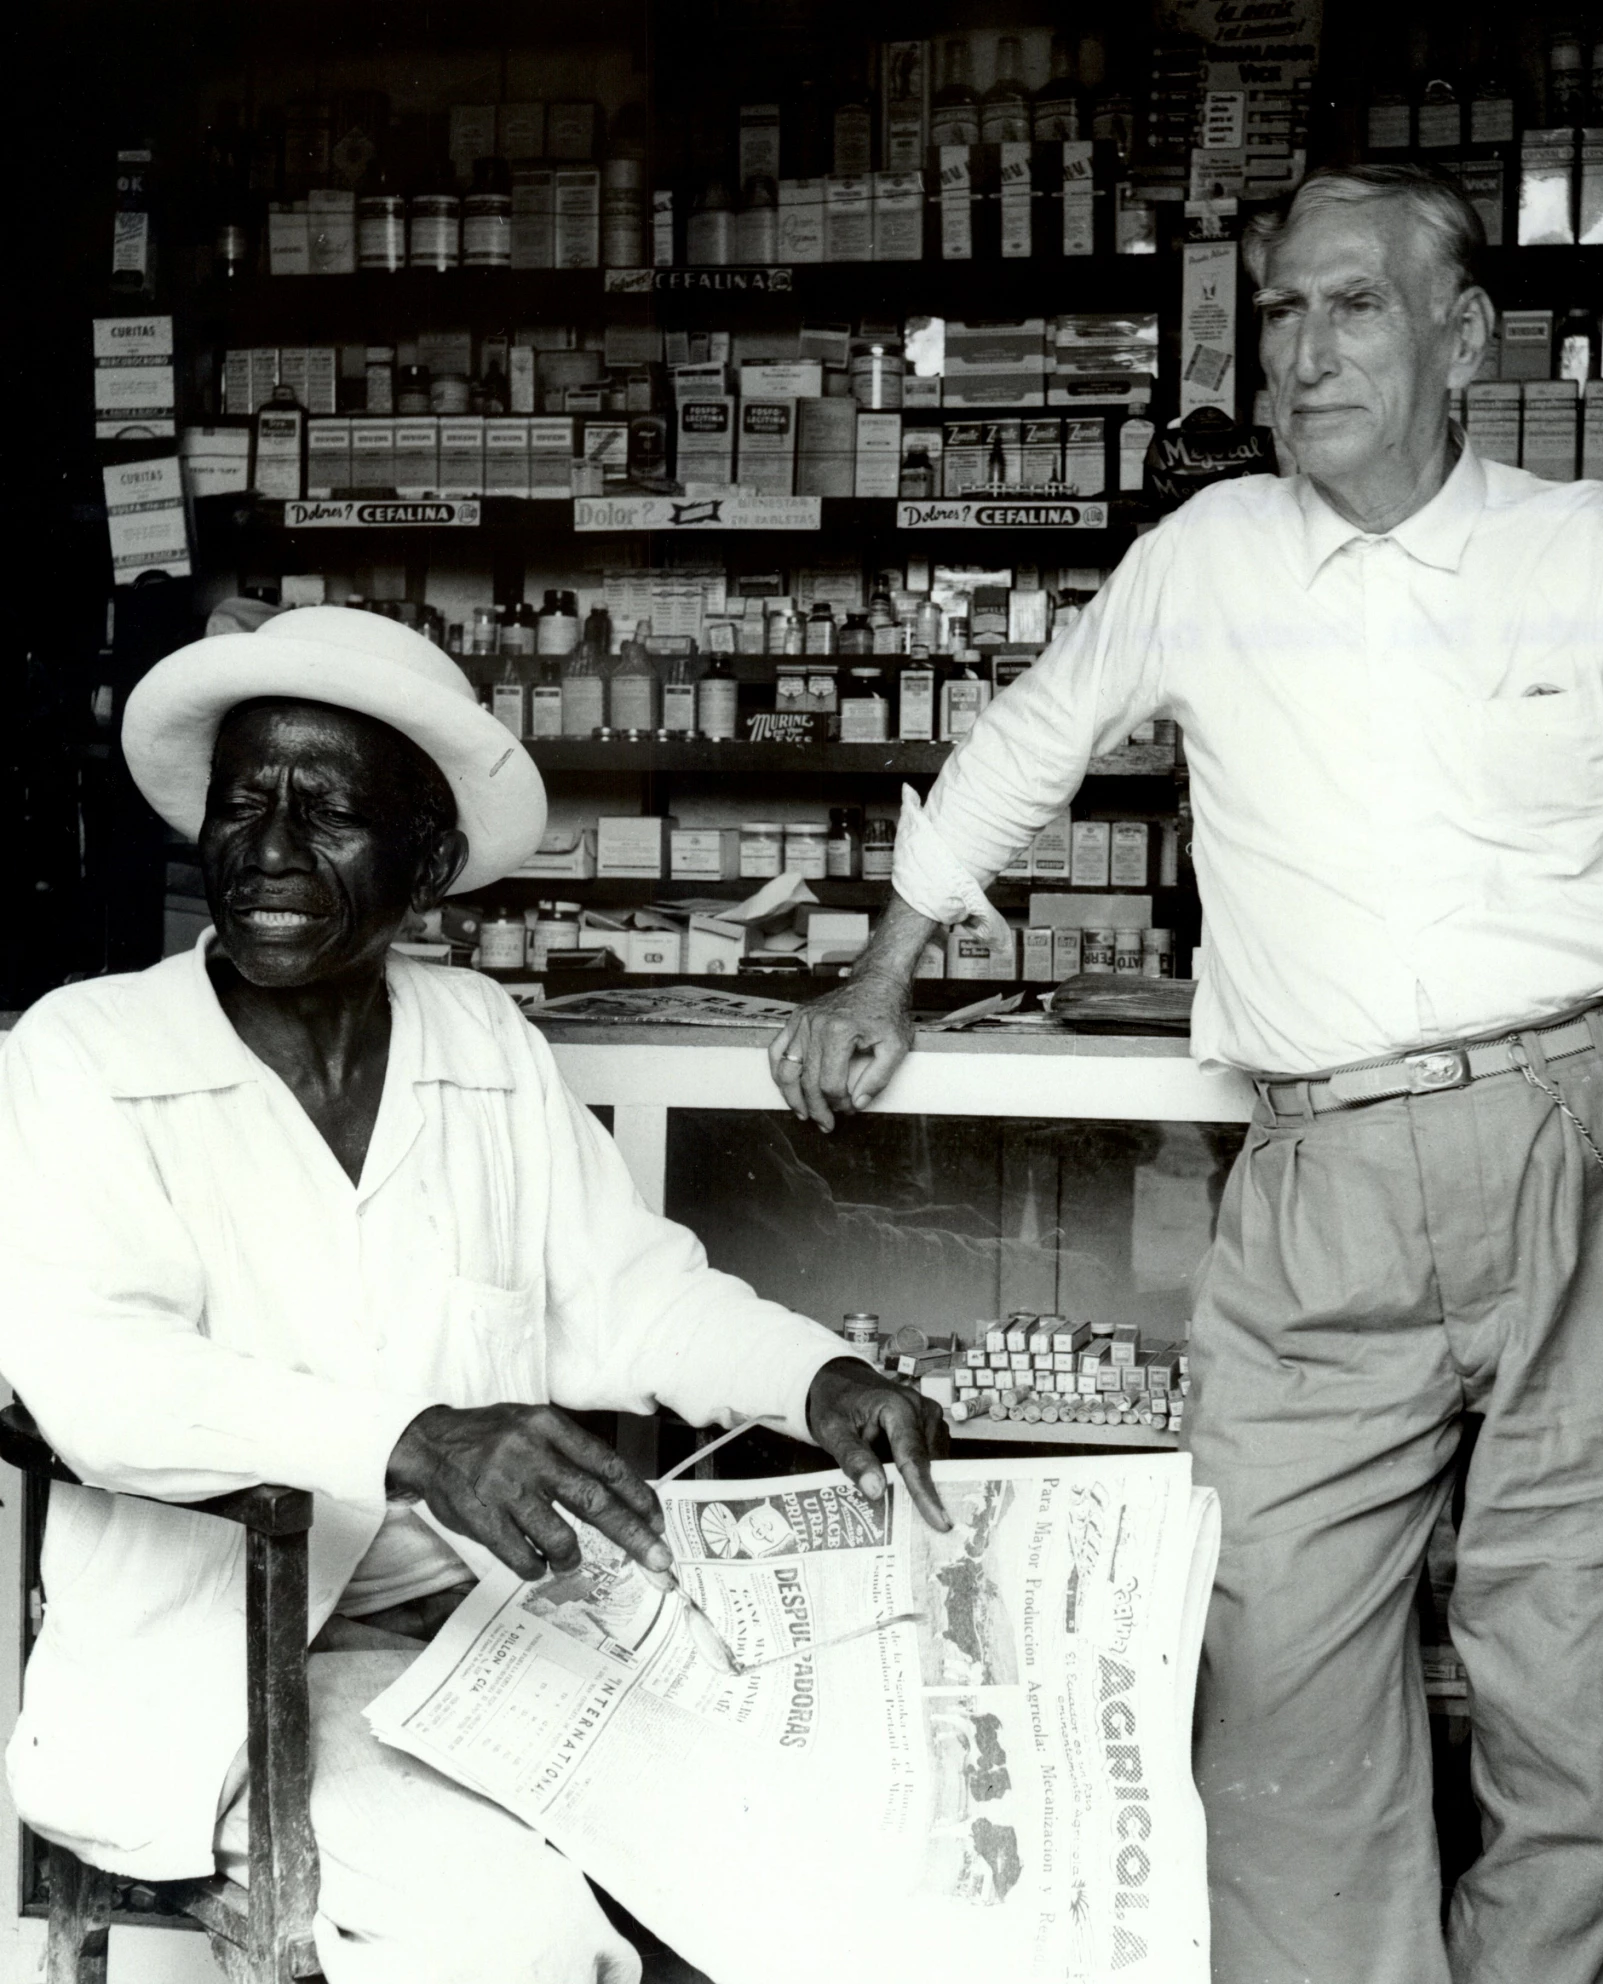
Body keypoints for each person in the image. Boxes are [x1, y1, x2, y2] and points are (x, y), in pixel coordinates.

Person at [768, 165, 1603, 1984]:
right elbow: (1028, 745)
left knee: (1587, 1686)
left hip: (1587, 1140)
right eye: (1282, 312)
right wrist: (885, 971)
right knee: (1266, 1675)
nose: (1304, 350)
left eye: (1353, 306)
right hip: (1317, 1174)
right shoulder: (1207, 557)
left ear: (1463, 338)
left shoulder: (1596, 550)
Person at [0, 604, 949, 1984]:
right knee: (514, 1944)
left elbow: (628, 1298)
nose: (267, 849)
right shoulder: (86, 1053)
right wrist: (416, 1443)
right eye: (244, 803)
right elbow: (94, 1381)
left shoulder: (478, 1038)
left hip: (512, 1632)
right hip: (247, 1677)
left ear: (428, 863)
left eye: (326, 813)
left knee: (831, 1842)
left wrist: (817, 1381)